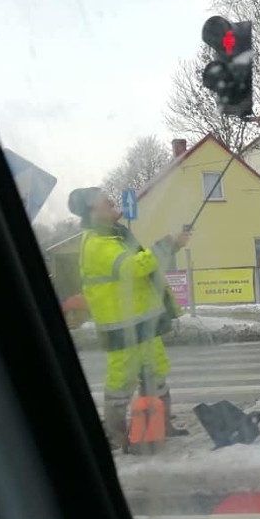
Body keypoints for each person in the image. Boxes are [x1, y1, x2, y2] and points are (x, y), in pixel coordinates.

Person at [68, 187, 191, 450]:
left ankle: (160, 424)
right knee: (121, 383)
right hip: (122, 326)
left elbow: (144, 264)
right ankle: (117, 435)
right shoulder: (98, 244)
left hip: (142, 322)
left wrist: (169, 248)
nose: (110, 201)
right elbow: (134, 267)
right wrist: (168, 244)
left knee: (156, 373)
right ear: (92, 210)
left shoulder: (115, 236)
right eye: (104, 200)